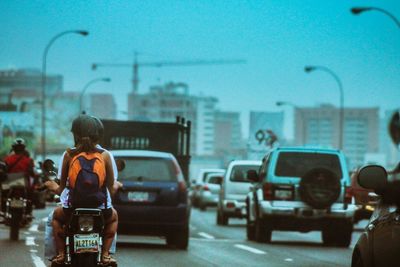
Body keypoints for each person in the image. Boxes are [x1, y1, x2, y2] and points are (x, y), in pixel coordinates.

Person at [45, 114, 118, 265]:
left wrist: (51, 186)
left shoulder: (68, 154)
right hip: (101, 210)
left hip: (72, 210)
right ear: (98, 134)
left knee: (55, 218)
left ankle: (60, 254)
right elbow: (110, 185)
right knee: (114, 218)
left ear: (75, 135)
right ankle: (105, 254)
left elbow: (61, 188)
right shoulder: (105, 155)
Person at [2, 138, 35, 214]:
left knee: (4, 196)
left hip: (9, 183)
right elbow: (32, 173)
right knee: (30, 196)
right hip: (24, 184)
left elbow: (4, 171)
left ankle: (3, 212)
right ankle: (28, 213)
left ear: (13, 148)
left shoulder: (7, 159)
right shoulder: (29, 160)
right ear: (24, 148)